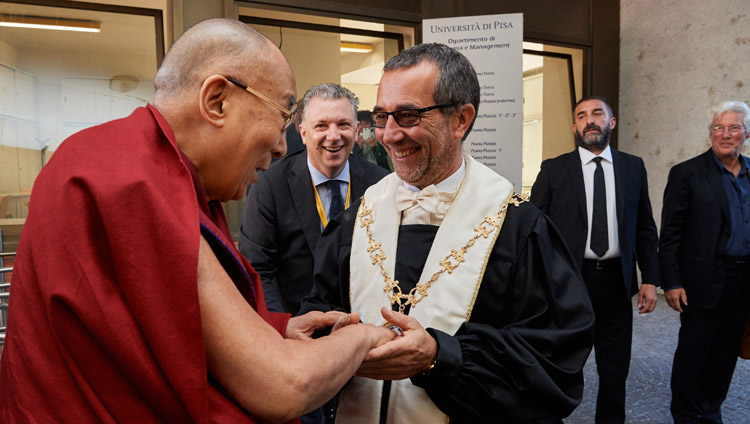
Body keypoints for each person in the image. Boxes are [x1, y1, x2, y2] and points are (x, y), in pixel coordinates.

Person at [0, 18, 396, 423]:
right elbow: (283, 385)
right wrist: (364, 336)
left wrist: (277, 329)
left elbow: (176, 328)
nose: (281, 147)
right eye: (281, 117)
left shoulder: (162, 176)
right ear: (217, 101)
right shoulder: (129, 182)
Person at [299, 43, 595, 424]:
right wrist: (330, 337)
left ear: (461, 120)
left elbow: (554, 362)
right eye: (380, 116)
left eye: (407, 115)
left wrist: (440, 357)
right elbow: (320, 308)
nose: (388, 135)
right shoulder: (357, 219)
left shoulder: (518, 227)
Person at [530, 96, 660, 424]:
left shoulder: (633, 167)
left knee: (615, 371)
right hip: (570, 283)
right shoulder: (554, 169)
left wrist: (649, 279)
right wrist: (541, 281)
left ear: (611, 123)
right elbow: (533, 229)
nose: (590, 120)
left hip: (617, 282)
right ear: (574, 126)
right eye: (582, 116)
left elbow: (645, 226)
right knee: (559, 365)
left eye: (597, 114)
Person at [239, 84, 388, 316]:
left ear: (357, 130)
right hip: (296, 330)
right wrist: (284, 330)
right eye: (321, 126)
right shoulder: (269, 186)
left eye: (343, 124)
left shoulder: (381, 184)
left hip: (365, 329)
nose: (334, 136)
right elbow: (257, 269)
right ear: (304, 133)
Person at [660, 100, 750, 424]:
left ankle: (711, 412)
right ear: (710, 133)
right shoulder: (687, 173)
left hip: (743, 284)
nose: (725, 134)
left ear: (747, 133)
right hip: (701, 283)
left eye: (733, 128)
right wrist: (671, 281)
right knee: (693, 356)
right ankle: (685, 416)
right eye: (718, 128)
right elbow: (670, 233)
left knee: (725, 357)